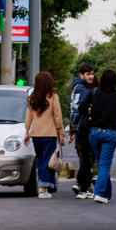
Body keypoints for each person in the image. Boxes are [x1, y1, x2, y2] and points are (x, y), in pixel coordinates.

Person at [83, 68, 116, 204]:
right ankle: (99, 193)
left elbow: (81, 107)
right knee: (105, 164)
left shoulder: (94, 93)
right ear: (115, 81)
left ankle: (107, 193)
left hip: (94, 132)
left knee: (102, 163)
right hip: (110, 133)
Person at [23, 71, 65, 199]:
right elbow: (58, 117)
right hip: (50, 134)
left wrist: (27, 132)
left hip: (36, 134)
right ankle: (43, 188)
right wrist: (61, 133)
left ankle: (44, 185)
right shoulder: (53, 97)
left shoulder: (32, 98)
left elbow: (28, 117)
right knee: (47, 161)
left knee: (41, 160)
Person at [69, 63, 97, 199]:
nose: (91, 77)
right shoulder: (83, 89)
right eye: (88, 74)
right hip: (83, 128)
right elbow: (79, 109)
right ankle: (83, 186)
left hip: (78, 127)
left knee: (86, 159)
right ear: (82, 75)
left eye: (92, 74)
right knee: (87, 159)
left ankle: (82, 185)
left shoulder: (76, 87)